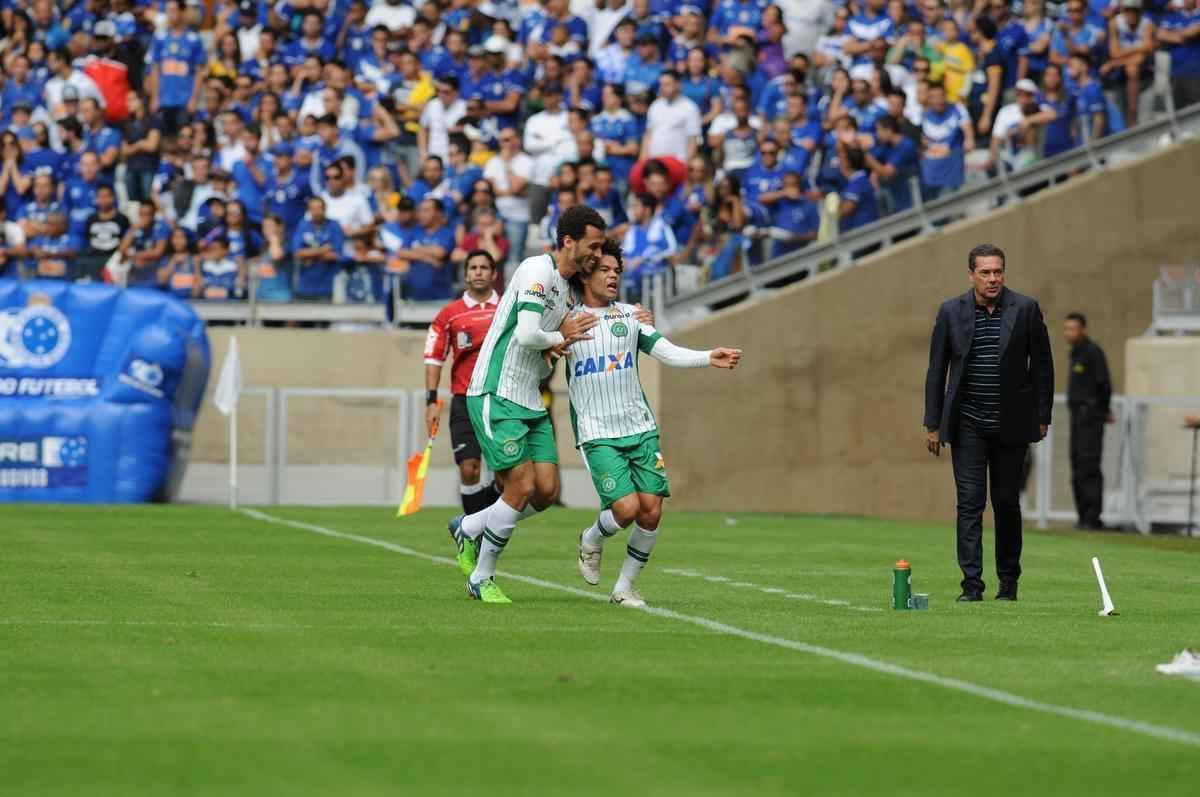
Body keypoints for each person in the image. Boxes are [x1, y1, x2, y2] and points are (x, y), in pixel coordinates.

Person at [447, 205, 610, 604]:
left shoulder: (569, 290)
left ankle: (469, 527)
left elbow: (550, 345)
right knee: (520, 486)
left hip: (528, 396)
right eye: (593, 246)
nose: (596, 254)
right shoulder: (537, 271)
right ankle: (481, 578)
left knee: (546, 491)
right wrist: (561, 337)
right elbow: (525, 334)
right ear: (568, 241)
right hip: (495, 391)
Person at [569, 238, 742, 607]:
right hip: (597, 431)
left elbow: (666, 351)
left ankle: (624, 589)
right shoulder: (565, 320)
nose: (613, 276)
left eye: (617, 271)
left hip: (639, 427)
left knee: (651, 510)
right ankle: (591, 539)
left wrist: (708, 356)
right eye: (604, 270)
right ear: (586, 274)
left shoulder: (631, 317)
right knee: (626, 509)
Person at [923, 243, 1054, 602]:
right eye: (985, 272)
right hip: (967, 423)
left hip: (1012, 422)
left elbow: (1042, 366)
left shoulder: (1025, 309)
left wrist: (1043, 416)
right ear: (971, 275)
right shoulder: (951, 311)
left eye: (998, 271)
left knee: (1007, 503)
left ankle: (1009, 582)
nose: (993, 278)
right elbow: (937, 370)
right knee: (970, 502)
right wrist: (932, 424)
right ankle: (971, 584)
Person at [423, 249, 503, 515]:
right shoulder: (449, 315)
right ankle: (471, 531)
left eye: (484, 267)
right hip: (464, 400)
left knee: (503, 476)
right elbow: (434, 358)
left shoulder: (508, 310)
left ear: (494, 273)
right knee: (469, 467)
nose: (478, 272)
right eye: (473, 268)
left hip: (501, 400)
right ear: (466, 274)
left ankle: (486, 530)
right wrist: (432, 401)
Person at [1064, 312, 1113, 531]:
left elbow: (1104, 384)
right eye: (1067, 329)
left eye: (1073, 328)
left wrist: (1100, 410)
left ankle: (1092, 518)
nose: (1069, 333)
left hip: (1090, 418)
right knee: (1076, 464)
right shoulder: (1075, 353)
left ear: (1083, 329)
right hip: (1076, 418)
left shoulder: (1093, 352)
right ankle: (1082, 515)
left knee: (1089, 465)